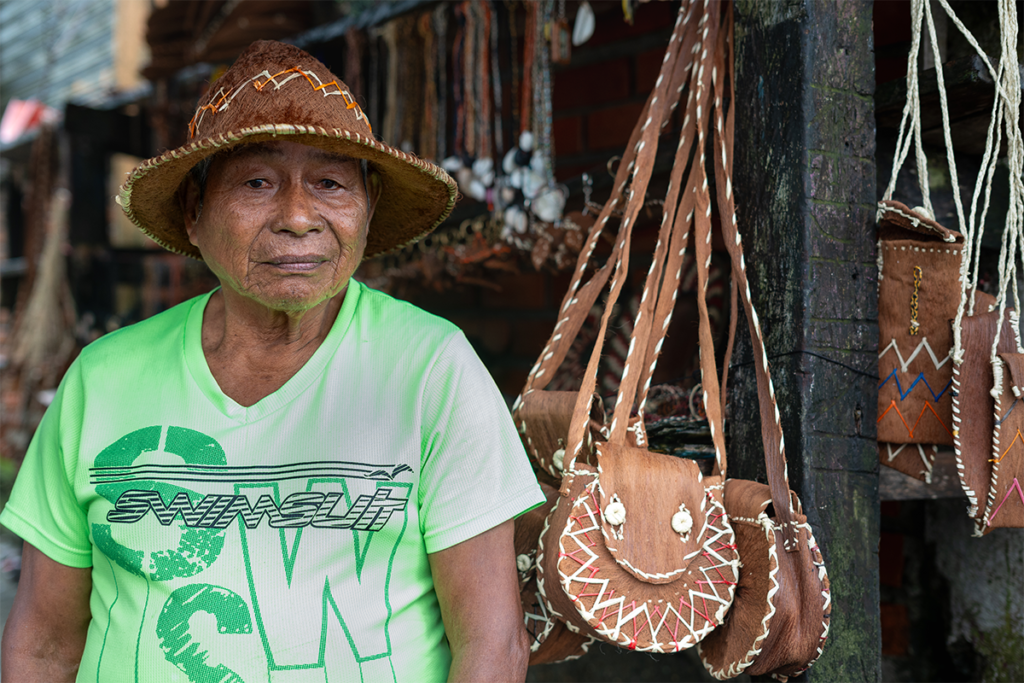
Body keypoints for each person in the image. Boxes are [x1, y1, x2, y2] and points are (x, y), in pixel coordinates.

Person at [0, 40, 544, 683]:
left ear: (365, 209)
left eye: (331, 183)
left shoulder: (431, 368)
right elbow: (41, 644)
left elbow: (491, 646)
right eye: (257, 182)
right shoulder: (103, 377)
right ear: (194, 214)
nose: (296, 216)